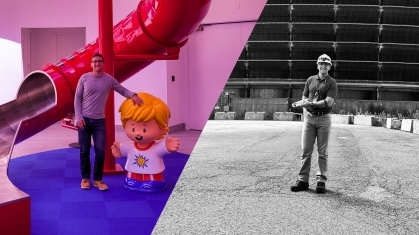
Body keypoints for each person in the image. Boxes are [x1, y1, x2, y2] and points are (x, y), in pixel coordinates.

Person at [74, 53, 143, 191]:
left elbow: (122, 89)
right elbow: (77, 98)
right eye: (95, 62)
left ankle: (98, 179)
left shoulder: (108, 79)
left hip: (99, 121)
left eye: (100, 61)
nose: (97, 64)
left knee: (100, 151)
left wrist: (133, 94)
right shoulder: (84, 78)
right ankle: (85, 178)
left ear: (103, 64)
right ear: (91, 64)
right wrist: (79, 117)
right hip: (84, 120)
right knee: (84, 150)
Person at [111, 92, 179, 193]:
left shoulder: (155, 148)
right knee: (132, 177)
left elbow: (161, 149)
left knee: (152, 176)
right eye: (133, 128)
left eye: (144, 130)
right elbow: (126, 149)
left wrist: (167, 146)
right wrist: (119, 149)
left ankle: (154, 181)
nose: (138, 133)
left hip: (153, 173)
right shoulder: (131, 147)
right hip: (132, 172)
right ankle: (132, 179)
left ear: (162, 128)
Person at [290, 54, 338, 194]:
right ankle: (303, 180)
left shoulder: (332, 83)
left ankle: (321, 180)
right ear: (317, 65)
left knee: (322, 151)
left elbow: (328, 102)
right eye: (321, 63)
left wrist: (311, 104)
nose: (323, 66)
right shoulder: (310, 80)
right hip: (309, 119)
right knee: (306, 150)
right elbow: (304, 98)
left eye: (326, 64)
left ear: (329, 66)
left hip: (324, 119)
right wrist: (305, 110)